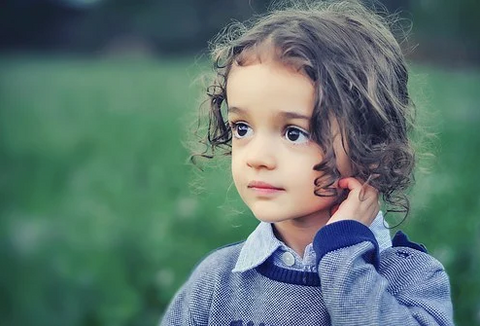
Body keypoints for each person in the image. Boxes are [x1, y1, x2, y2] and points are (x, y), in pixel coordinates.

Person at [161, 0, 454, 325]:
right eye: (242, 128)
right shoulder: (216, 283)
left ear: (372, 142)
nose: (257, 157)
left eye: (295, 133)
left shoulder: (411, 279)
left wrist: (343, 254)